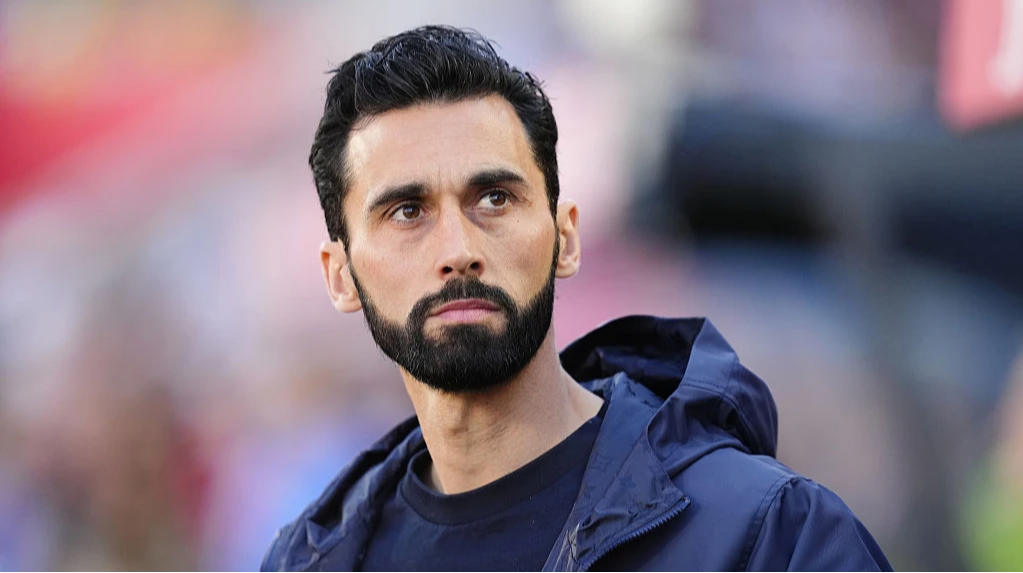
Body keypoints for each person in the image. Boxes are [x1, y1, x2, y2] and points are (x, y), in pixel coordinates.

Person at [262, 25, 892, 572]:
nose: (458, 249)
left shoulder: (765, 535)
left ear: (564, 238)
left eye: (494, 199)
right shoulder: (314, 562)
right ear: (341, 276)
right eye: (407, 211)